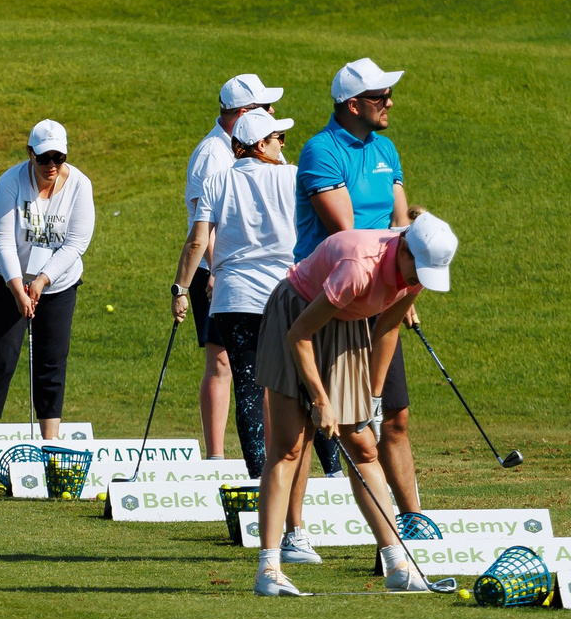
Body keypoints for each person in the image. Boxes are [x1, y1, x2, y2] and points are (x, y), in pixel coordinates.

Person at [253, 214, 459, 596]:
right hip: (298, 313)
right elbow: (299, 333)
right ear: (406, 252)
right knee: (289, 447)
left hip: (347, 324)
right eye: (417, 272)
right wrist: (320, 400)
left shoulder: (414, 274)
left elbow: (387, 328)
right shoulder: (358, 267)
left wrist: (374, 396)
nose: (418, 282)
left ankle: (398, 564)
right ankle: (268, 570)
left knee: (364, 447)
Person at [172, 108, 324, 565]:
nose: (284, 145)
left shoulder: (218, 180)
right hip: (286, 298)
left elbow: (197, 242)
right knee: (292, 404)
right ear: (259, 145)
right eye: (278, 138)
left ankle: (266, 506)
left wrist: (181, 288)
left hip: (234, 299)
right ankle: (292, 529)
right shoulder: (293, 177)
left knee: (250, 394)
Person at [294, 56, 422, 515]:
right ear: (352, 104)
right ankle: (293, 530)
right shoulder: (321, 151)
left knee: (395, 415)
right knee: (326, 427)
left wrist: (404, 282)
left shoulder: (386, 151)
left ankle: (413, 521)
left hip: (382, 289)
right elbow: (346, 231)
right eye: (379, 96)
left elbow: (400, 221)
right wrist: (394, 275)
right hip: (335, 295)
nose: (389, 102)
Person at [0, 120, 94, 438]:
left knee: (52, 358)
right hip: (6, 277)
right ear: (30, 153)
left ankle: (50, 439)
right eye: (44, 158)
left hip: (58, 282)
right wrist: (17, 288)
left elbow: (77, 243)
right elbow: (2, 242)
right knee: (2, 352)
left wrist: (41, 281)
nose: (51, 165)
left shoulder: (80, 185)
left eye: (59, 158)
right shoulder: (11, 182)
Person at [184, 73, 280, 459]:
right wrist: (214, 273)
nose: (272, 113)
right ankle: (217, 456)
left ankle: (271, 449)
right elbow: (203, 225)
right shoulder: (211, 153)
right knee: (221, 361)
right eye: (263, 107)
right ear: (242, 112)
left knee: (263, 366)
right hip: (216, 270)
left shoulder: (261, 144)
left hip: (249, 271)